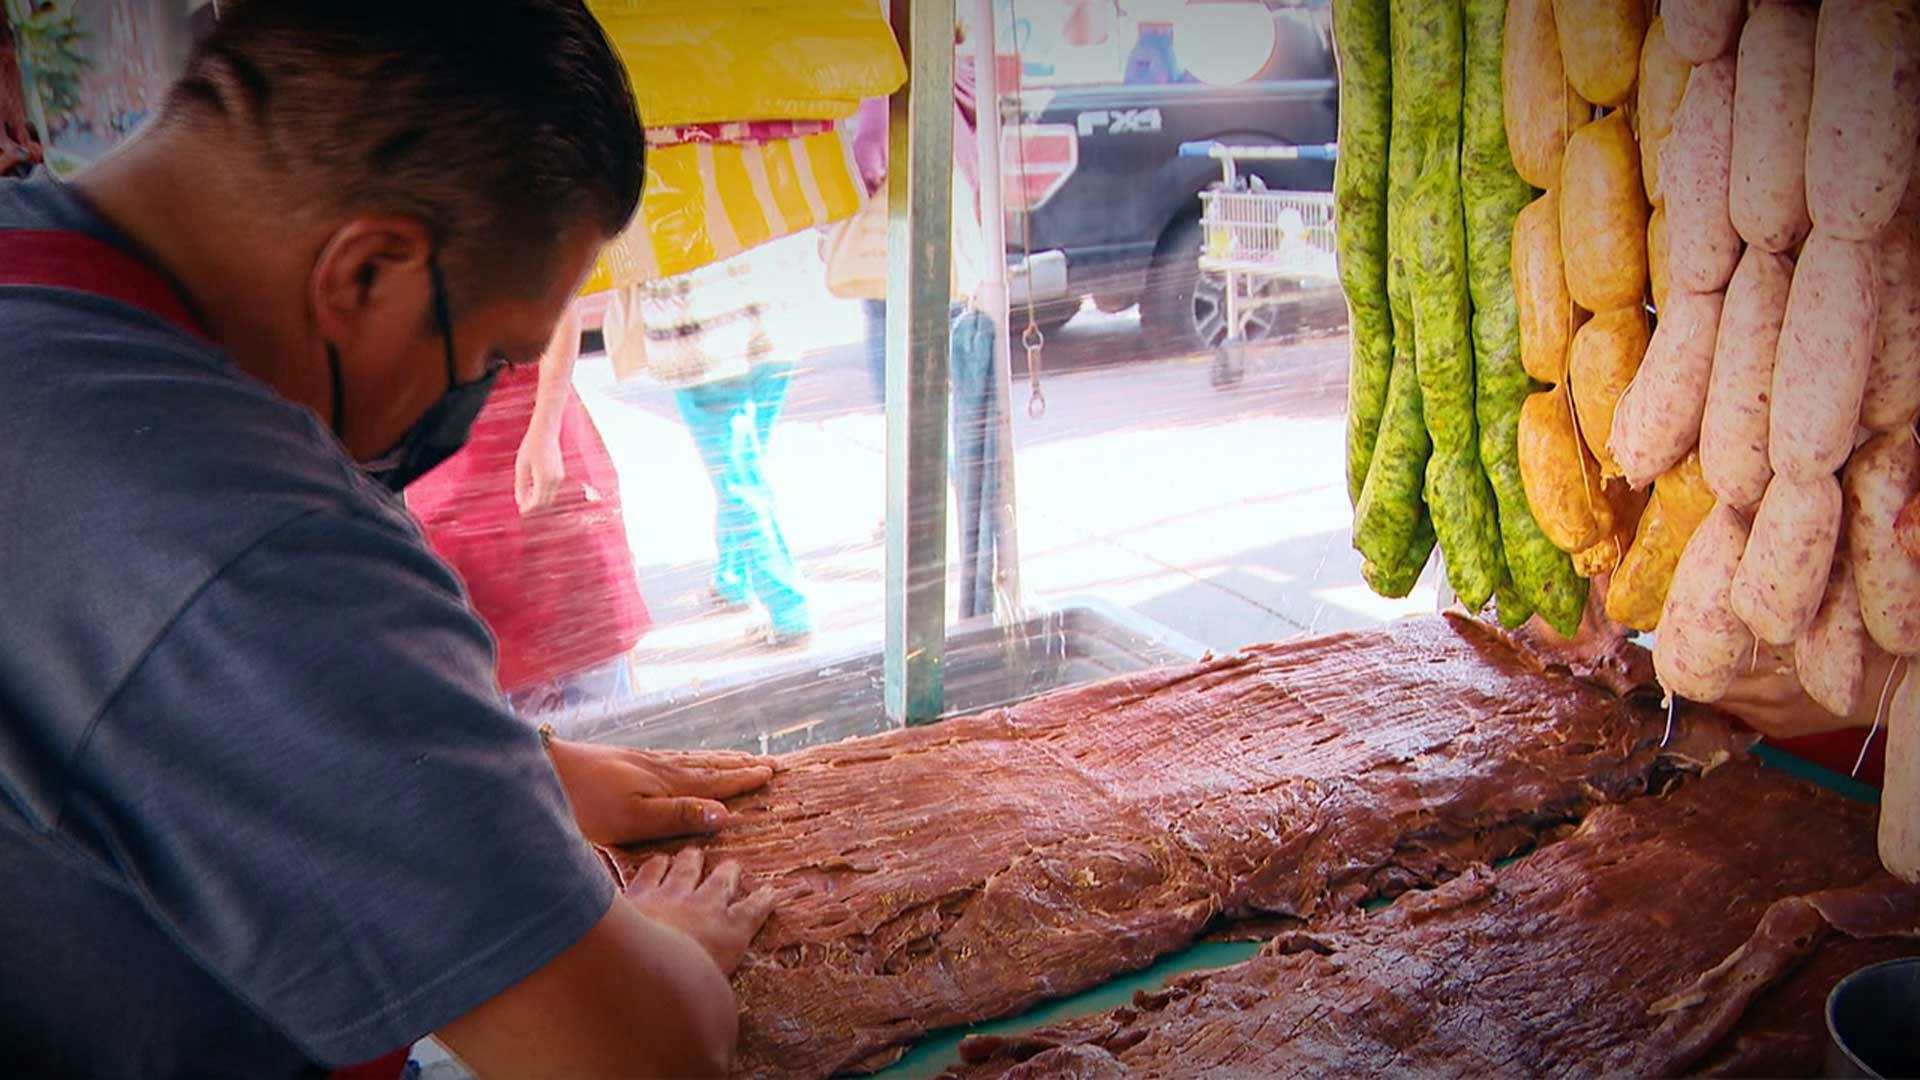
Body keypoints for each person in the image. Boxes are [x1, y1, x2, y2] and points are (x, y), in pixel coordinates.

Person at [0, 3, 779, 1076]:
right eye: (494, 353)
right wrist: (667, 952)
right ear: (368, 272)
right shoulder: (258, 540)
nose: (479, 394)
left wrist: (508, 772)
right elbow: (639, 1054)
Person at [407, 298, 652, 719]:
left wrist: (544, 426)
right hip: (447, 473)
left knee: (597, 675)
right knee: (501, 680)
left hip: (546, 447)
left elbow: (558, 305)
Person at [607, 250, 814, 648]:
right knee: (746, 469)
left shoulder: (669, 187)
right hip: (770, 312)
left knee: (737, 477)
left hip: (703, 333)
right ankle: (733, 577)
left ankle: (789, 608)